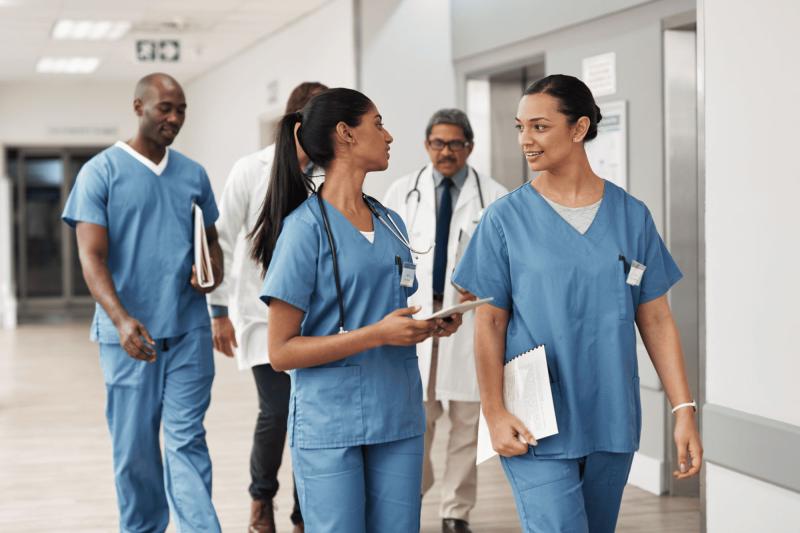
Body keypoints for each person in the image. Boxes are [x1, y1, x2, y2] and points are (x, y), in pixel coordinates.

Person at [452, 74, 703, 533]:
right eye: (520, 127)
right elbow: (488, 322)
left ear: (580, 127)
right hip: (534, 419)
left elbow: (657, 319)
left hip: (610, 412)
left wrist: (682, 409)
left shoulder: (631, 216)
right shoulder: (505, 218)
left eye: (540, 126)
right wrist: (493, 411)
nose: (526, 139)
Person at [250, 88, 462, 532]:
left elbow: (390, 311)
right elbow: (281, 352)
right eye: (378, 123)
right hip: (331, 423)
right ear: (346, 134)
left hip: (400, 414)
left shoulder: (390, 222)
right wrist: (377, 335)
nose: (388, 135)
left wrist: (424, 327)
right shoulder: (302, 231)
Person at [62, 73, 224, 532]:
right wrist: (120, 319)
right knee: (134, 452)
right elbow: (90, 257)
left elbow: (213, 244)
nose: (174, 118)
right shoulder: (101, 172)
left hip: (188, 331)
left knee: (186, 442)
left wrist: (210, 272)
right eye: (165, 108)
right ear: (139, 107)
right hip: (129, 337)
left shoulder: (194, 174)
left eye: (181, 110)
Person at [207, 81, 327, 533]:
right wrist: (217, 312)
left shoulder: (330, 170)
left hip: (317, 319)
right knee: (278, 411)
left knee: (310, 416)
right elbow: (217, 239)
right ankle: (262, 501)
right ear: (297, 126)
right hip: (261, 316)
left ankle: (303, 513)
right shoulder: (250, 169)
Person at [383, 109, 507, 533]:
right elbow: (385, 255)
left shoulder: (494, 195)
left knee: (467, 422)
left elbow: (507, 264)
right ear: (426, 145)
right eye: (437, 143)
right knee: (418, 417)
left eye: (455, 143)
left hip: (469, 318)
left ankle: (456, 511)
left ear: (469, 146)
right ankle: (412, 494)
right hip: (419, 316)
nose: (446, 151)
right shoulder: (403, 191)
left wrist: (485, 283)